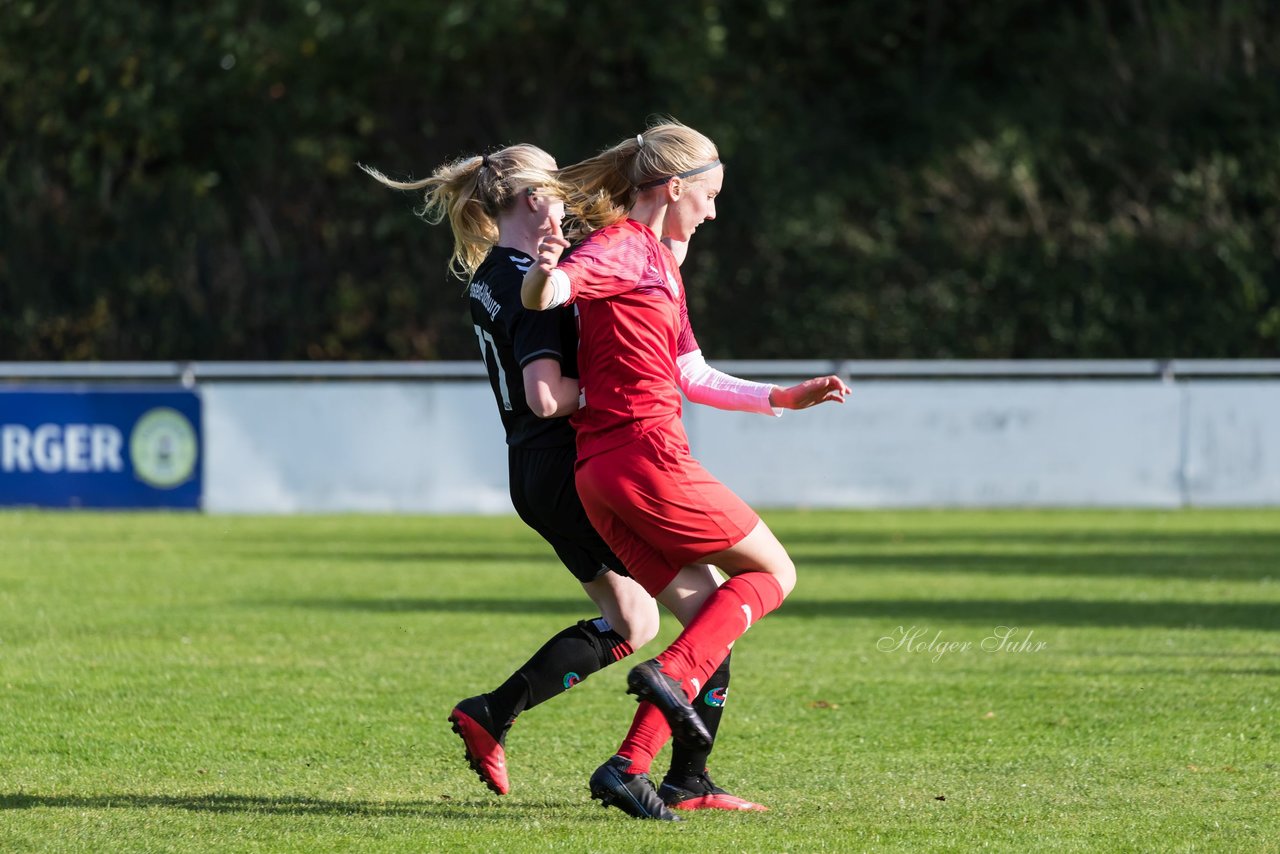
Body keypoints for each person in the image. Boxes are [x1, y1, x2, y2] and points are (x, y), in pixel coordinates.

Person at [362, 144, 772, 813]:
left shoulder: (493, 273)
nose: (570, 198)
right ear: (532, 199)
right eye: (557, 187)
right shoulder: (536, 286)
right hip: (572, 461)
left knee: (633, 619)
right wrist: (628, 383)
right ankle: (685, 779)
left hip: (533, 471)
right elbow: (548, 396)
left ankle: (493, 712)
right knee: (709, 609)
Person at [522, 121, 849, 820]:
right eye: (709, 195)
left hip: (602, 475)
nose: (713, 210)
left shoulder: (657, 263)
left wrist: (780, 398)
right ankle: (666, 677)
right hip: (645, 459)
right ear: (675, 189)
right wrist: (546, 271)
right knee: (774, 575)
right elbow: (552, 294)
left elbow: (689, 370)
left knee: (709, 617)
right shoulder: (623, 249)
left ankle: (635, 769)